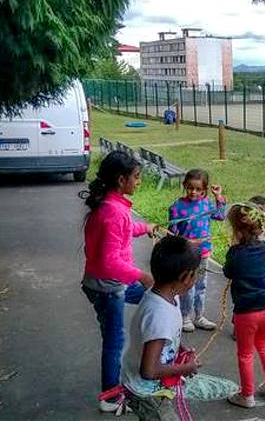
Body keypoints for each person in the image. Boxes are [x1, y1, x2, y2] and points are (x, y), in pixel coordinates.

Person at [80, 151, 156, 413]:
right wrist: (143, 276)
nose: (139, 182)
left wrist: (145, 227)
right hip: (108, 287)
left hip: (107, 283)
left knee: (153, 296)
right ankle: (110, 397)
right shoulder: (114, 212)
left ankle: (151, 358)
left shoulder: (112, 206)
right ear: (122, 179)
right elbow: (111, 262)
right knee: (114, 341)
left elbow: (124, 230)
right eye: (136, 177)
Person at [122, 235, 201, 421]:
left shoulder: (164, 293)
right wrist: (184, 369)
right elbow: (148, 371)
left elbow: (162, 337)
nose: (197, 276)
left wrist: (178, 348)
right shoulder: (160, 314)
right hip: (146, 392)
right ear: (185, 277)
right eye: (196, 272)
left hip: (150, 386)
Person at [223, 202, 265, 409]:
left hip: (247, 312)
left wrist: (233, 247)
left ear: (238, 230)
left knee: (245, 354)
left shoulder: (236, 253)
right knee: (264, 344)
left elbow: (228, 272)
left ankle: (247, 395)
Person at [168, 169, 226, 333]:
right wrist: (180, 244)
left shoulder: (206, 204)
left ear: (204, 190)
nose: (194, 192)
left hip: (203, 253)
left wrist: (218, 197)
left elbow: (221, 216)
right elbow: (171, 233)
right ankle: (185, 316)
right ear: (185, 185)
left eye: (198, 189)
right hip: (186, 255)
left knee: (201, 285)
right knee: (187, 285)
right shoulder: (177, 207)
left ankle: (199, 316)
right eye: (190, 188)